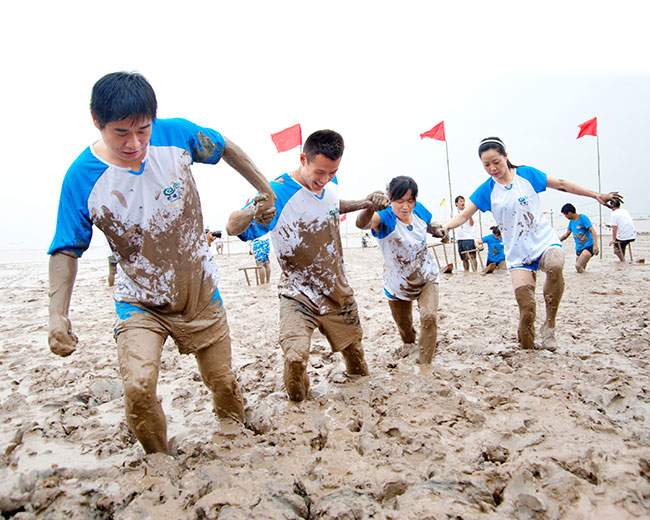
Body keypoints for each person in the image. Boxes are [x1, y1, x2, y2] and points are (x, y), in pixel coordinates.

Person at [47, 71, 276, 454]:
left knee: (221, 380)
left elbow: (226, 147)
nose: (134, 143)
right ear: (96, 121)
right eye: (120, 132)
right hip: (140, 299)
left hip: (199, 290)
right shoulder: (82, 178)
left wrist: (264, 188)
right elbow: (66, 249)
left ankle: (232, 430)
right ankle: (157, 458)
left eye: (142, 130)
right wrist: (57, 314)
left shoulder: (176, 136)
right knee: (137, 386)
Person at [226, 129, 388, 401]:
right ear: (304, 158)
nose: (324, 180)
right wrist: (254, 209)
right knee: (295, 358)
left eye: (332, 173)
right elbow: (232, 226)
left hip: (337, 291)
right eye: (319, 173)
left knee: (356, 361)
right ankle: (299, 409)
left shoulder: (330, 189)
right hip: (296, 294)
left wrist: (366, 201)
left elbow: (335, 205)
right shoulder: (276, 191)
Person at [443, 137, 621, 351]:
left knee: (555, 265)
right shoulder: (486, 191)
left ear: (506, 156)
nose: (492, 168)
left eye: (496, 162)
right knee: (527, 310)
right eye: (486, 165)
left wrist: (595, 195)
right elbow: (463, 216)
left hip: (544, 242)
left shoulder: (526, 175)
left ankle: (550, 325)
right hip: (518, 255)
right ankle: (528, 348)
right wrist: (444, 229)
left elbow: (562, 185)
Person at [356, 176, 446, 364]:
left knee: (429, 317)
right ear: (390, 198)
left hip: (426, 277)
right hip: (398, 284)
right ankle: (411, 347)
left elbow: (429, 225)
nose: (405, 207)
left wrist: (437, 229)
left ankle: (425, 365)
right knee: (405, 330)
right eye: (400, 201)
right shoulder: (385, 217)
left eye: (410, 200)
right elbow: (362, 224)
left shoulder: (419, 209)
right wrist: (370, 205)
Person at [559, 203, 598, 272]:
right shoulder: (571, 222)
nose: (565, 216)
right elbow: (567, 234)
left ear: (570, 212)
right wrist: (558, 240)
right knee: (580, 270)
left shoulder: (582, 218)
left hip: (588, 246)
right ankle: (586, 280)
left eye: (565, 214)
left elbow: (593, 231)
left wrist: (595, 246)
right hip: (579, 248)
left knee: (578, 266)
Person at [454, 195, 478, 272]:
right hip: (459, 238)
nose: (463, 202)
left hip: (468, 237)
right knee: (463, 258)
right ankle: (466, 272)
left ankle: (475, 271)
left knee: (472, 256)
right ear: (456, 203)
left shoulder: (468, 211)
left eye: (463, 201)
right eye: (460, 201)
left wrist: (469, 215)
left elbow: (472, 223)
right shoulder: (454, 212)